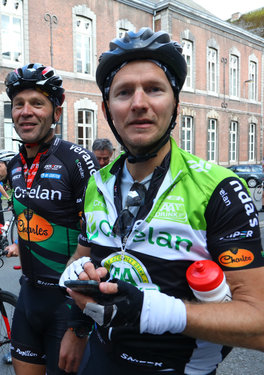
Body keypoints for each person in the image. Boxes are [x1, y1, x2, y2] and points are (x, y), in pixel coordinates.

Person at [59, 28, 264, 374]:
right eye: (124, 92)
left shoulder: (219, 188)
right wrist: (76, 322)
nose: (139, 103)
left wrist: (149, 310)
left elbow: (258, 322)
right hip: (102, 358)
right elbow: (82, 257)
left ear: (176, 104)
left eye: (154, 89)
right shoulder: (97, 183)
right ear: (109, 109)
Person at [4, 63, 99, 375]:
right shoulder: (15, 165)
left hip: (66, 304)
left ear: (56, 113)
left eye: (37, 103)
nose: (26, 112)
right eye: (19, 104)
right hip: (29, 297)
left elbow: (99, 240)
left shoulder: (76, 160)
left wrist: (79, 322)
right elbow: (26, 216)